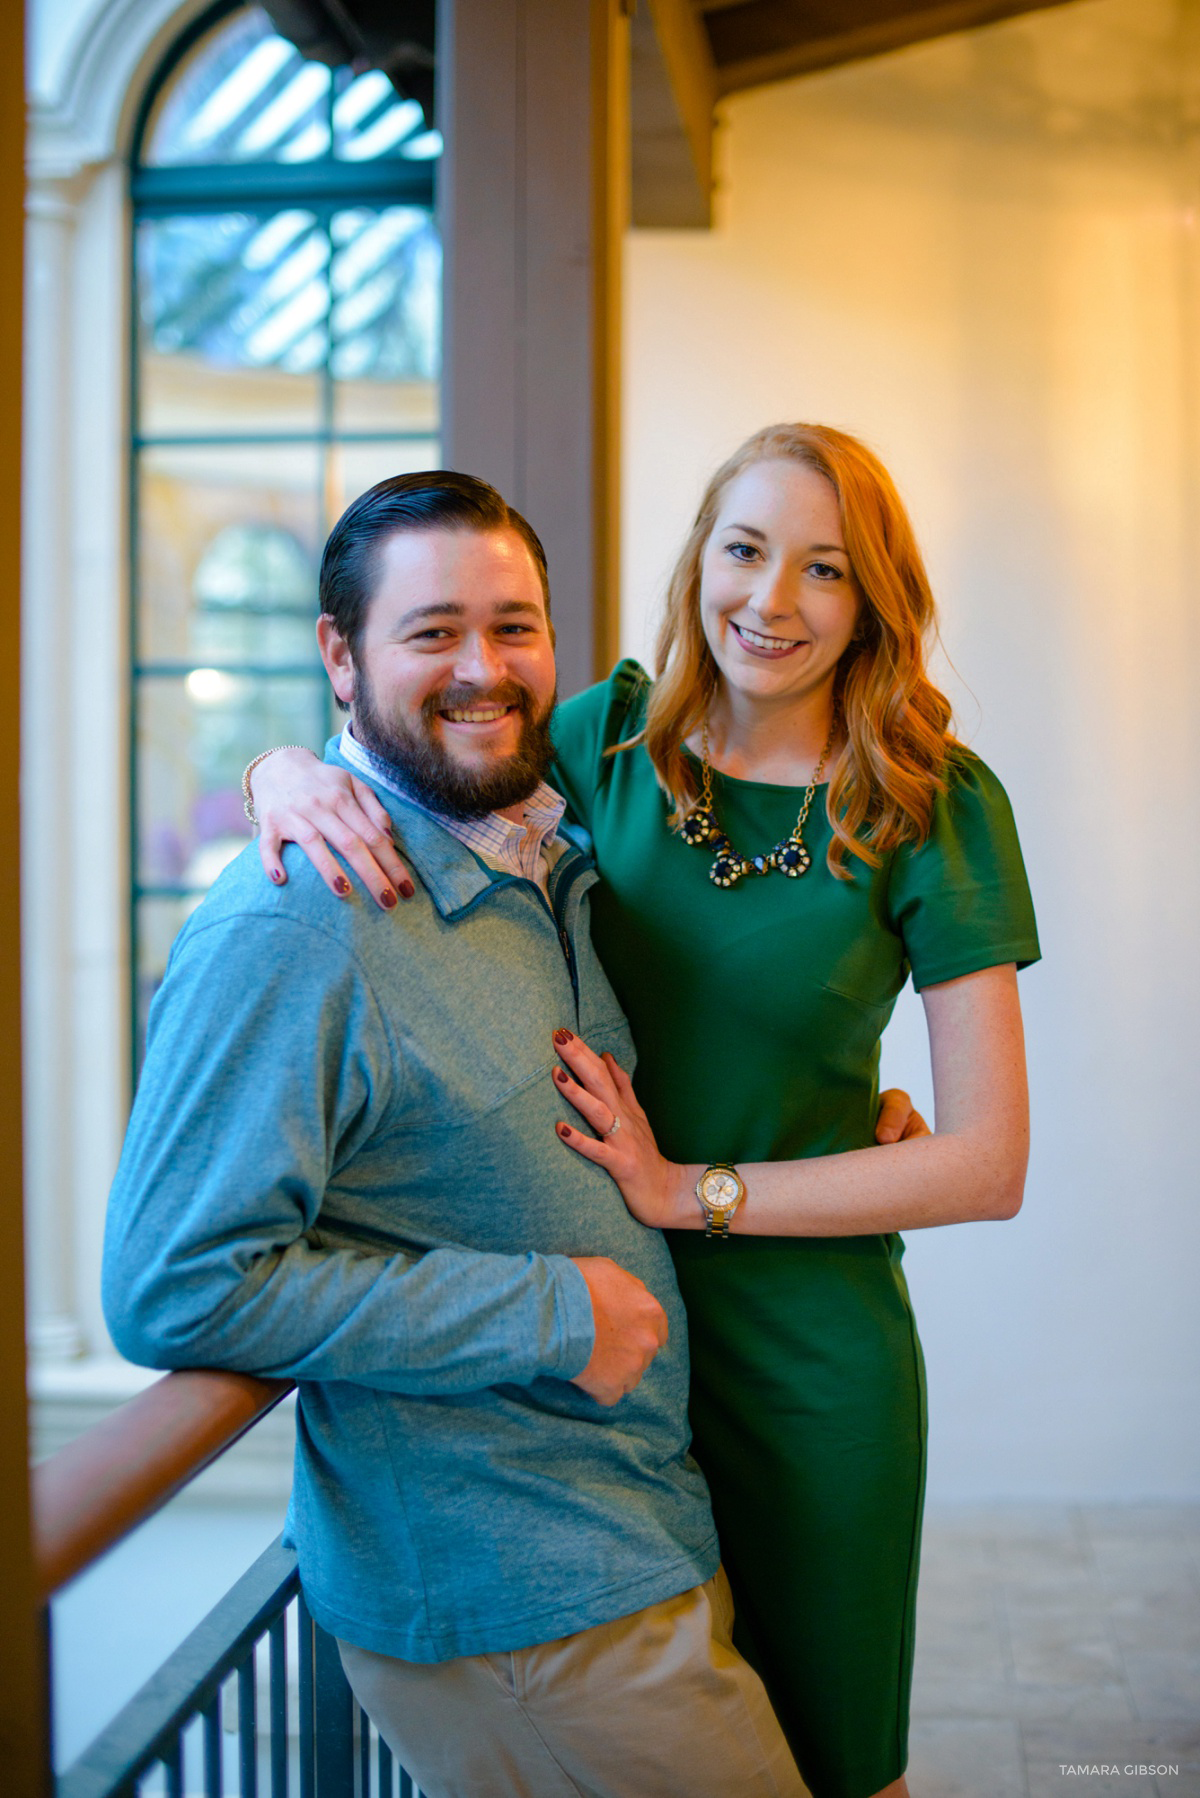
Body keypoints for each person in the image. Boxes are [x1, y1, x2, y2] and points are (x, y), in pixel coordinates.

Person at [248, 424, 1040, 1798]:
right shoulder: (600, 738)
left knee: (838, 1765)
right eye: (744, 548)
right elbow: (417, 748)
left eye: (825, 569)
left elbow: (986, 1162)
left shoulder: (933, 799)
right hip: (592, 1374)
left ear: (874, 601)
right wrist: (281, 774)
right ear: (698, 558)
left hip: (807, 1360)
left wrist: (696, 1188)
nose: (771, 599)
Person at [103, 472, 814, 1798]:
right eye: (431, 631)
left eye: (514, 624)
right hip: (520, 1607)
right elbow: (174, 1280)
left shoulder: (546, 851)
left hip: (633, 1537)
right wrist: (543, 1312)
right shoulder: (291, 926)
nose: (484, 668)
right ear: (338, 653)